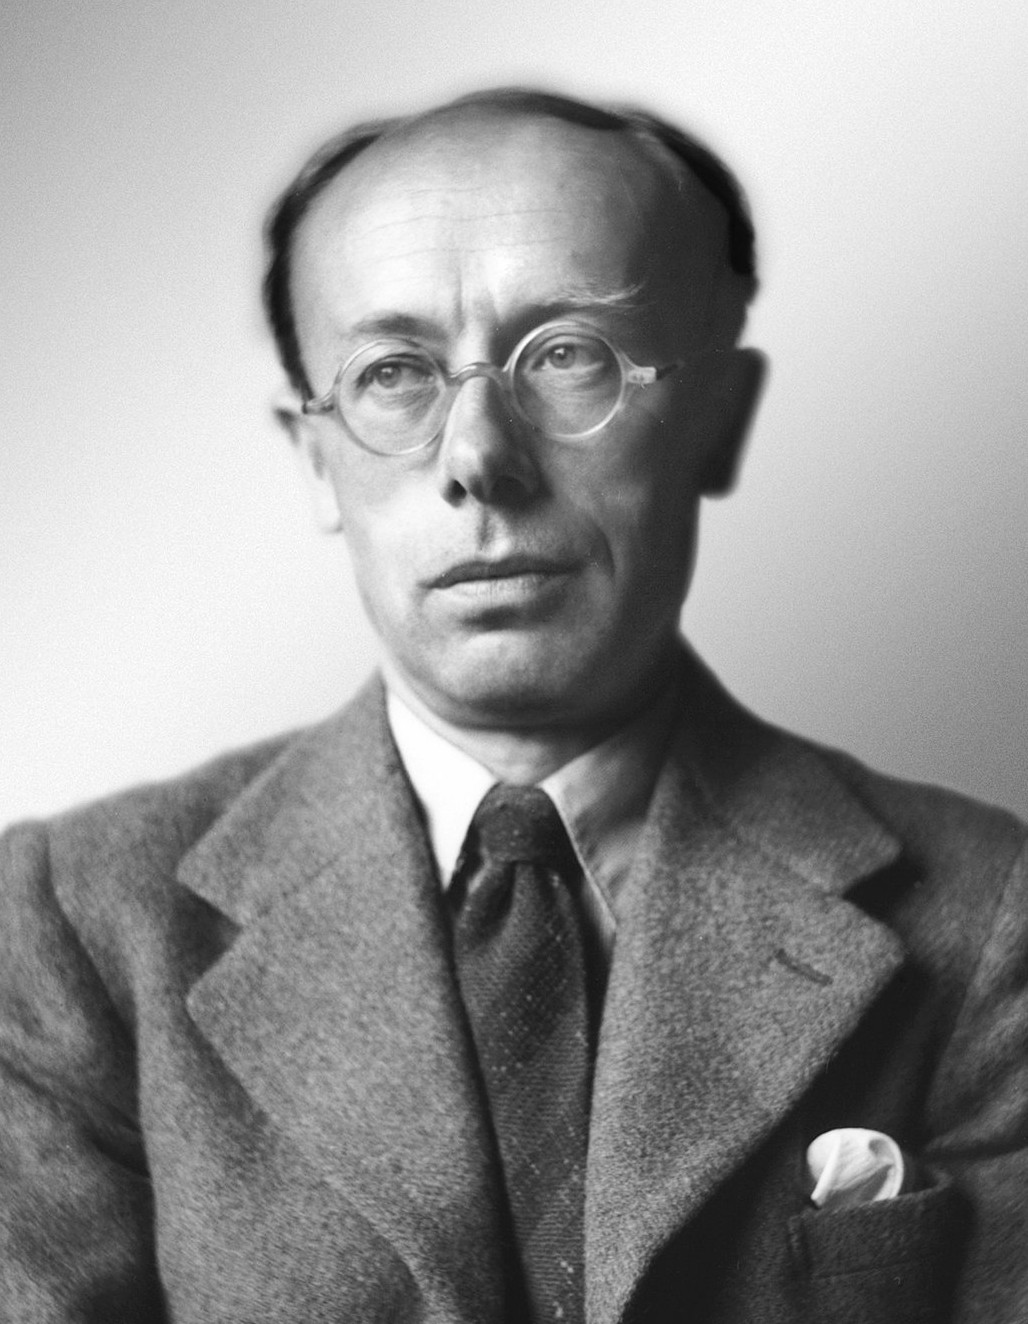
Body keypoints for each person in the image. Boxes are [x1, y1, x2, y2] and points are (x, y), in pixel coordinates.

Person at [0, 87, 1024, 1324]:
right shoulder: (70, 924)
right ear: (315, 457)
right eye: (392, 374)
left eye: (566, 355)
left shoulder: (987, 917)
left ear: (719, 415)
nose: (478, 456)